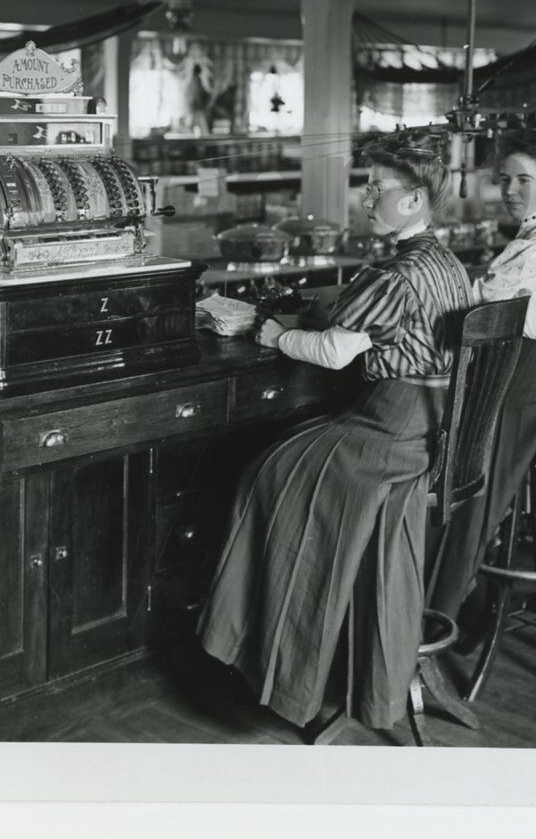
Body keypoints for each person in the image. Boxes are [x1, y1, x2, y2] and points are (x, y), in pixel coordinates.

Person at [197, 134, 475, 731]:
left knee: (268, 473)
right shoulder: (450, 264)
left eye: (379, 188)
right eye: (367, 185)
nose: (366, 197)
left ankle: (264, 659)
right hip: (432, 431)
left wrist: (273, 336)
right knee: (286, 460)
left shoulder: (394, 274)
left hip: (388, 432)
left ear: (416, 200)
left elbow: (333, 351)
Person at [432, 130, 536, 625]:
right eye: (505, 180)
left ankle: (440, 609)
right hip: (526, 374)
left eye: (525, 180)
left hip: (520, 381)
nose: (512, 190)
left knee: (465, 489)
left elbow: (475, 299)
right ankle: (458, 596)